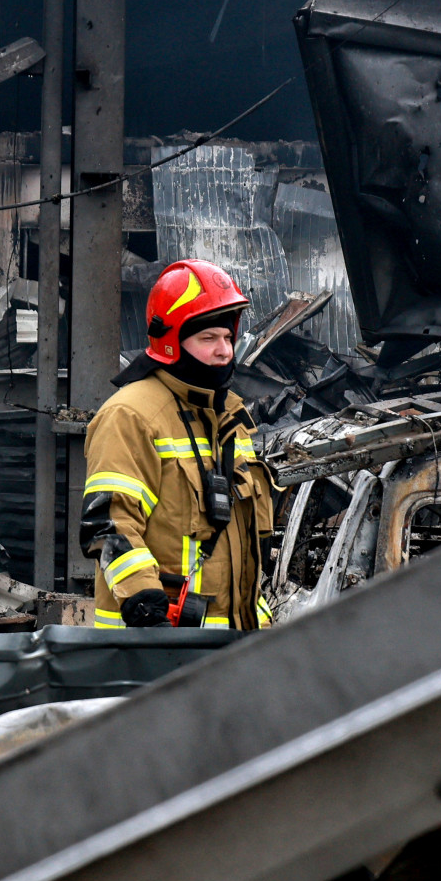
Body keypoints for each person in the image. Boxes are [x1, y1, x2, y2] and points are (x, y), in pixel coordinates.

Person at [81, 259, 274, 630]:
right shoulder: (131, 415)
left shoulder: (230, 416)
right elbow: (109, 523)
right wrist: (145, 605)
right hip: (154, 647)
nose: (224, 351)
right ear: (171, 342)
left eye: (228, 338)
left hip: (236, 648)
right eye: (208, 338)